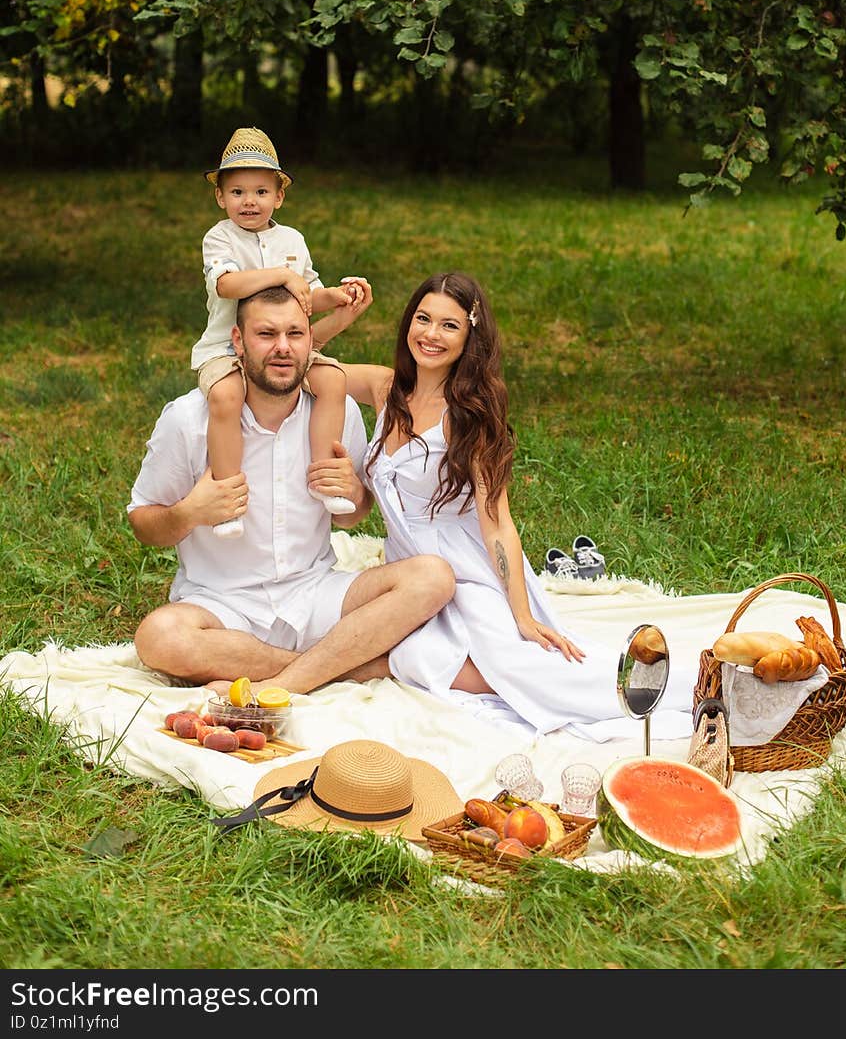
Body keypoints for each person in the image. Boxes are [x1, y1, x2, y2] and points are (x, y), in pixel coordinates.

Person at [338, 271, 698, 741]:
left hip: (467, 567)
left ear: (469, 337)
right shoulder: (386, 389)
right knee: (414, 657)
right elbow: (302, 363)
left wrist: (522, 615)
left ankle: (686, 687)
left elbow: (497, 525)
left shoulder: (469, 414)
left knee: (518, 665)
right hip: (409, 575)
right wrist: (337, 312)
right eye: (423, 319)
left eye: (449, 325)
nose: (430, 334)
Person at [129, 285, 456, 694]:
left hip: (315, 594)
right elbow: (143, 522)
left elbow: (349, 516)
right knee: (160, 637)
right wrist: (189, 512)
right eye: (266, 335)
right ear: (238, 341)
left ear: (310, 341)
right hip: (224, 607)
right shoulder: (187, 420)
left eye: (295, 335)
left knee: (433, 577)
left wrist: (355, 493)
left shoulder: (337, 413)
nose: (283, 348)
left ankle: (285, 678)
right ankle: (344, 667)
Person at [193, 126, 367, 539]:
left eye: (259, 191)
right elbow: (227, 286)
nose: (248, 201)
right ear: (220, 197)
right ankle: (228, 498)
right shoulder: (219, 237)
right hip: (226, 348)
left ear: (279, 196)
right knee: (225, 395)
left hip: (284, 344)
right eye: (236, 192)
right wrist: (281, 275)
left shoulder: (292, 239)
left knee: (332, 380)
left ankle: (325, 479)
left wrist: (342, 297)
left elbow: (307, 294)